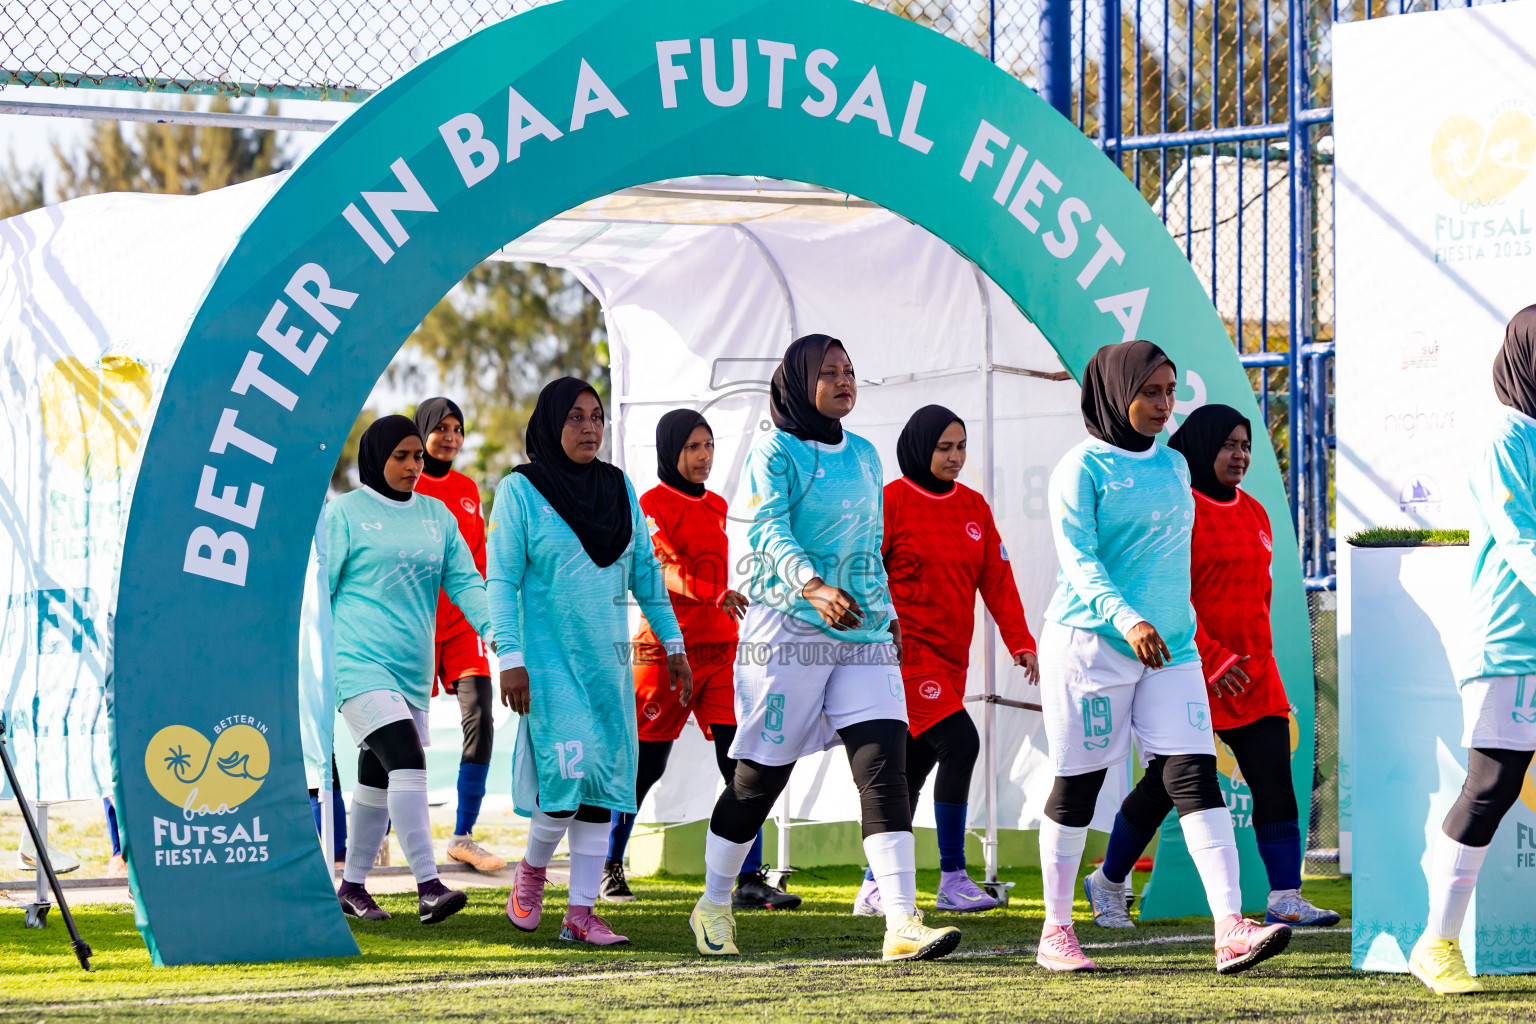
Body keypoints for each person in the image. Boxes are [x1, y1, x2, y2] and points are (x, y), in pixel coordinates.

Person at [687, 334, 961, 963]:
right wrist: (811, 587)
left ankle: (901, 921)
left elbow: (870, 543)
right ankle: (714, 903)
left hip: (861, 631)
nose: (844, 381)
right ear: (798, 382)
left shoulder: (864, 454)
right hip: (789, 628)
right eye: (830, 372)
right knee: (758, 779)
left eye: (850, 370)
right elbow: (767, 530)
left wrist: (887, 615)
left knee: (885, 762)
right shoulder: (774, 450)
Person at [1035, 340, 1290, 975]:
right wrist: (1128, 619)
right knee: (1079, 785)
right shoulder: (1080, 468)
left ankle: (1230, 927)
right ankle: (1056, 930)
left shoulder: (1175, 466)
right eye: (1150, 392)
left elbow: (1175, 569)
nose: (1163, 404)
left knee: (1193, 774)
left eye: (1170, 391)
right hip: (1092, 645)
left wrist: (1185, 638)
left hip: (1170, 651)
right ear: (1115, 393)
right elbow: (1079, 561)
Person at [1080, 404, 1338, 930]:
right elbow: (1166, 595)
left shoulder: (1257, 512)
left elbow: (1259, 598)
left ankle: (1286, 897)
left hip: (1255, 675)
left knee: (1275, 780)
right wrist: (1213, 656)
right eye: (1228, 445)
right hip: (1192, 668)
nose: (1239, 455)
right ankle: (1107, 881)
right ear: (1201, 446)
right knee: (1164, 785)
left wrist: (1255, 660)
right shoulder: (1181, 510)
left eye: (1246, 446)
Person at [488, 378, 692, 947]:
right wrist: (510, 657)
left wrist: (675, 646)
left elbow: (647, 576)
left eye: (596, 416)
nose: (589, 427)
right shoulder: (519, 490)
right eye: (575, 417)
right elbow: (501, 580)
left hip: (607, 667)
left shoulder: (619, 487)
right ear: (551, 423)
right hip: (548, 665)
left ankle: (580, 914)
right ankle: (532, 871)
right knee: (565, 783)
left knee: (601, 788)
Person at [600, 410, 799, 911]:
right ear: (671, 451)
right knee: (645, 768)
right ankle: (609, 866)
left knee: (742, 765)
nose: (703, 456)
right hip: (663, 654)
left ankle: (748, 878)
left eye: (708, 445)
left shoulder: (717, 504)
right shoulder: (651, 503)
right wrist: (714, 593)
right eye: (692, 447)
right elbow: (662, 570)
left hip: (720, 652)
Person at [852, 405, 1038, 917]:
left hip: (952, 661)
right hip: (905, 655)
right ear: (919, 447)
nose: (955, 457)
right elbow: (864, 573)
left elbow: (997, 580)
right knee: (961, 742)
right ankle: (953, 876)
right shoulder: (891, 501)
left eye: (961, 447)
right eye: (944, 448)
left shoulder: (974, 507)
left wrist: (1021, 642)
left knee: (911, 771)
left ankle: (874, 884)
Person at [1408, 307, 1536, 996]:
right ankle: (1437, 944)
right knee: (1490, 788)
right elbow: (1520, 538)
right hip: (1512, 643)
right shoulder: (1505, 437)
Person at [329, 414, 494, 924]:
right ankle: (428, 885)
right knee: (406, 759)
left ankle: (352, 887)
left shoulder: (436, 515)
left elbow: (465, 581)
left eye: (417, 456)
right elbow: (320, 591)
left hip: (411, 670)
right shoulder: (345, 513)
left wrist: (497, 633)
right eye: (400, 456)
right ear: (376, 457)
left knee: (377, 780)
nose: (412, 465)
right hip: (357, 662)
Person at [413, 396, 505, 873]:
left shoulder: (469, 489)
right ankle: (386, 829)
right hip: (413, 627)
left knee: (481, 716)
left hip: (462, 625)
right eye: (441, 428)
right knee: (402, 733)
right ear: (422, 431)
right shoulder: (406, 485)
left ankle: (463, 835)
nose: (450, 437)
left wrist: (491, 618)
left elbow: (479, 560)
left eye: (457, 429)